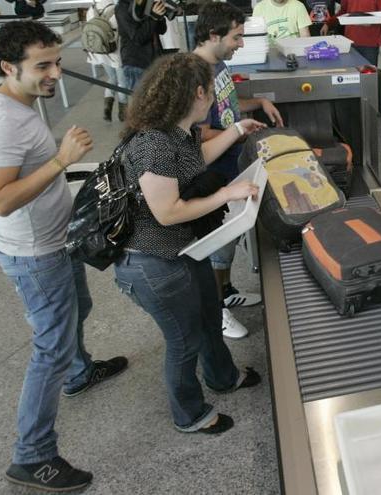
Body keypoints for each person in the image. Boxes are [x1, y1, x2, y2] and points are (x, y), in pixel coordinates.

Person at [0, 21, 128, 492]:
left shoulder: (7, 100)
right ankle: (31, 455)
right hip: (35, 254)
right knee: (50, 347)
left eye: (57, 61)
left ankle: (80, 373)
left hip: (54, 242)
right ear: (8, 66)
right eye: (42, 66)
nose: (56, 73)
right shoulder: (2, 118)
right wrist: (60, 161)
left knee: (81, 309)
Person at [114, 52, 266, 434]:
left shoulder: (177, 131)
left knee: (209, 316)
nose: (215, 99)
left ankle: (221, 376)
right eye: (212, 91)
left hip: (183, 248)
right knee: (184, 339)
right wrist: (226, 195)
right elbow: (167, 211)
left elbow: (193, 161)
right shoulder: (153, 144)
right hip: (151, 261)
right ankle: (190, 414)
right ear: (199, 92)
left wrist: (237, 130)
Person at [193, 1, 284, 338]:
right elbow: (199, 134)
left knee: (229, 239)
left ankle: (227, 291)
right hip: (213, 174)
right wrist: (238, 131)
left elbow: (227, 107)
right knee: (220, 243)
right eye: (236, 37)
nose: (241, 44)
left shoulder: (217, 66)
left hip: (232, 165)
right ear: (214, 35)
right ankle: (216, 310)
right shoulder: (197, 74)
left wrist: (258, 103)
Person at [86, 0, 129, 122]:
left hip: (100, 52)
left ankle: (107, 106)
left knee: (112, 79)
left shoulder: (91, 10)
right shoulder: (116, 9)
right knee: (122, 82)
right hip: (116, 52)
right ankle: (123, 113)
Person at [116, 0, 168, 90]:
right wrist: (153, 17)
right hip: (137, 64)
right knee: (142, 102)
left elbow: (162, 30)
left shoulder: (146, 3)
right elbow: (138, 38)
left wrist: (160, 14)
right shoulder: (122, 8)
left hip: (155, 60)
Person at [325, 0, 381, 66]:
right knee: (352, 73)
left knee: (368, 74)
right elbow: (343, 11)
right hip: (350, 42)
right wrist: (328, 24)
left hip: (370, 43)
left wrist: (371, 23)